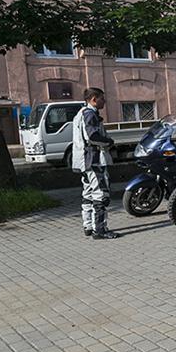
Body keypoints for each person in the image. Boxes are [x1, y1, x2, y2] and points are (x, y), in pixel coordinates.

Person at [71, 87, 118, 239]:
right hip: (94, 160)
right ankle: (100, 230)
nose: (104, 101)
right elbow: (92, 136)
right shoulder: (90, 114)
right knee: (101, 195)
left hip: (84, 161)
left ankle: (88, 226)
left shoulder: (81, 114)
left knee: (88, 194)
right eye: (102, 98)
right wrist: (109, 142)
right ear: (93, 99)